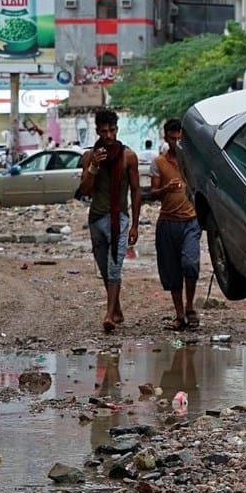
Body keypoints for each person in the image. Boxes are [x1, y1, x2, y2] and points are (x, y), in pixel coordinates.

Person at [77, 108, 142, 332]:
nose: (108, 135)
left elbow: (136, 191)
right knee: (105, 270)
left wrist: (135, 223)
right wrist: (94, 165)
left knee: (115, 268)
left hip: (119, 219)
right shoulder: (88, 156)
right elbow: (85, 189)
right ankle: (117, 309)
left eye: (112, 130)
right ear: (97, 131)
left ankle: (109, 314)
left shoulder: (128, 157)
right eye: (104, 131)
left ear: (117, 129)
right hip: (96, 219)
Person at [151, 119, 201, 331]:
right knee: (172, 272)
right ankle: (179, 315)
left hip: (190, 220)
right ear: (166, 138)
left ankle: (190, 306)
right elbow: (152, 193)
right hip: (168, 222)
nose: (176, 142)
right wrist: (165, 190)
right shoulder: (159, 163)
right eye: (172, 139)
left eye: (179, 139)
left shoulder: (192, 163)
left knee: (190, 264)